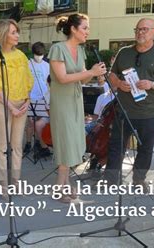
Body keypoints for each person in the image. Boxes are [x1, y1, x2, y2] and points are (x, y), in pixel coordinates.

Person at [103, 18, 154, 188]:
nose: (140, 32)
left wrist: (153, 84)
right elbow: (112, 76)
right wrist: (119, 83)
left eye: (144, 29)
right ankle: (111, 180)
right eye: (137, 29)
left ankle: (139, 180)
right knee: (116, 146)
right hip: (124, 110)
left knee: (145, 148)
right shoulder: (124, 52)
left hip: (150, 112)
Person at [48, 13, 106, 203]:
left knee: (73, 142)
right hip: (62, 102)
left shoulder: (80, 51)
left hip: (75, 100)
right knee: (65, 143)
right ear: (73, 29)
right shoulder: (58, 49)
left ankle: (65, 185)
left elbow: (82, 78)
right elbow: (62, 78)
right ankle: (59, 187)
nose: (88, 32)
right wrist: (90, 71)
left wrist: (96, 73)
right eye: (85, 28)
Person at [0, 19, 34, 200]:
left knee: (17, 146)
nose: (17, 35)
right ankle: (3, 185)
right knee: (3, 146)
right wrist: (12, 107)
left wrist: (26, 101)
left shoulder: (21, 55)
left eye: (17, 32)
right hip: (2, 105)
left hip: (21, 104)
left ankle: (16, 181)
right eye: (13, 32)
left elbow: (28, 81)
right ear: (4, 34)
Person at [24, 42, 51, 157]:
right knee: (30, 122)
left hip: (43, 97)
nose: (38, 56)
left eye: (40, 54)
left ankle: (40, 143)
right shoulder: (28, 64)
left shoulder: (47, 65)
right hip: (31, 97)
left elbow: (49, 81)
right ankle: (28, 143)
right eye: (36, 54)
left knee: (40, 123)